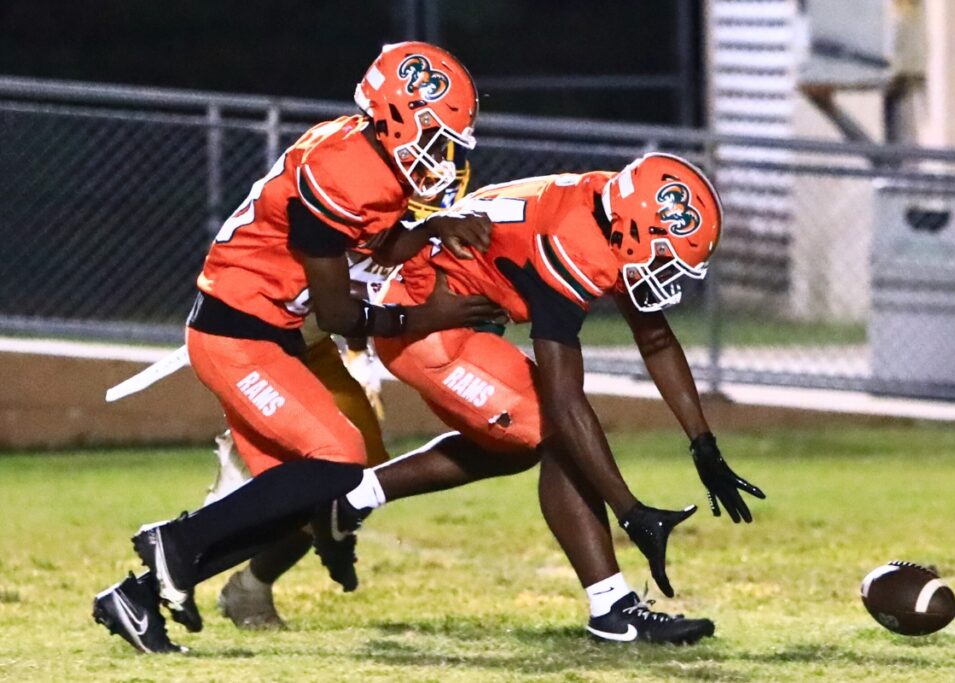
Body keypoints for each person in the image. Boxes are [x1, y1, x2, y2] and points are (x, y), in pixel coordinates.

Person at [92, 41, 500, 654]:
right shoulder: (346, 171)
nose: (440, 155)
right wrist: (423, 315)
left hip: (266, 332)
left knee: (303, 497)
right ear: (395, 112)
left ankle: (137, 597)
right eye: (435, 136)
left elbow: (372, 247)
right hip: (238, 333)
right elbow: (338, 313)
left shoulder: (367, 158)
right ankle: (171, 544)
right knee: (340, 458)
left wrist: (429, 230)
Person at [333, 152, 766, 644]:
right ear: (635, 230)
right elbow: (565, 400)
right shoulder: (573, 242)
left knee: (517, 445)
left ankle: (353, 496)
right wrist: (631, 511)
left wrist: (702, 442)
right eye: (664, 256)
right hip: (423, 324)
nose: (665, 271)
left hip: (456, 314)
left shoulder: (611, 205)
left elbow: (656, 339)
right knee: (556, 433)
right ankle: (612, 611)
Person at [210, 160, 473, 630]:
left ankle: (250, 584)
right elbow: (333, 299)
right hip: (261, 343)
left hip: (315, 350)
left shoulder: (416, 230)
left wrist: (362, 353)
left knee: (354, 483)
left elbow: (364, 299)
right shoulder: (345, 197)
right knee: (306, 484)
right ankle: (168, 571)